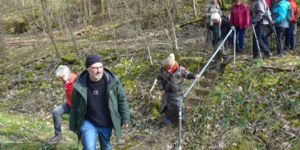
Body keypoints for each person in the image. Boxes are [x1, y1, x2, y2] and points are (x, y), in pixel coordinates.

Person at [69, 55, 130, 150]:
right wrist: (73, 124)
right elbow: (74, 105)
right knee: (89, 147)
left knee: (105, 146)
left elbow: (122, 99)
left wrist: (125, 117)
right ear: (88, 69)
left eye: (101, 67)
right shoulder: (80, 84)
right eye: (95, 68)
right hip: (88, 121)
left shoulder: (112, 81)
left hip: (106, 122)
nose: (99, 70)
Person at [157, 53, 200, 125]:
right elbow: (159, 79)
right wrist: (161, 89)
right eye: (167, 66)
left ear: (174, 64)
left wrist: (195, 76)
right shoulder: (162, 69)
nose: (168, 67)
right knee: (166, 106)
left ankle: (178, 119)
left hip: (177, 92)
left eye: (170, 66)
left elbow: (188, 75)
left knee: (177, 106)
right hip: (166, 92)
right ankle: (168, 119)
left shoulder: (180, 69)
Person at [48, 65, 77, 144]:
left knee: (76, 128)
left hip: (77, 108)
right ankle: (58, 135)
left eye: (62, 77)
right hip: (69, 104)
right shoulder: (65, 81)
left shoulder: (77, 80)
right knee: (56, 111)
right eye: (60, 77)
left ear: (68, 73)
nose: (61, 79)